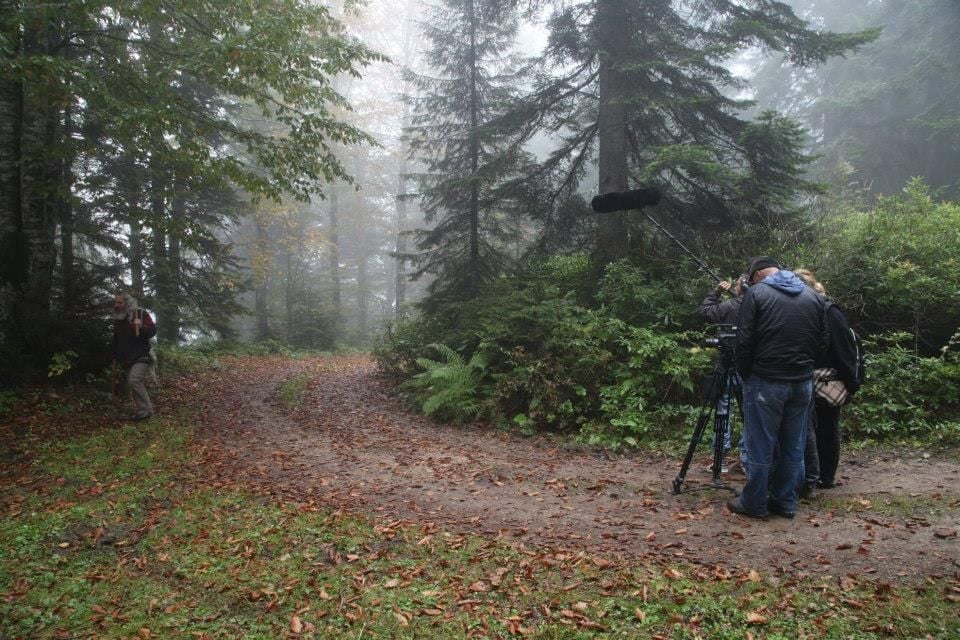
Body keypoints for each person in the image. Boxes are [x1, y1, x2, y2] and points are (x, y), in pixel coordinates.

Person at [727, 257, 824, 519]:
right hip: (802, 381)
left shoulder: (757, 294)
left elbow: (744, 340)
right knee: (794, 444)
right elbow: (822, 340)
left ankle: (754, 503)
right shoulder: (813, 296)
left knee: (761, 444)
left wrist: (747, 373)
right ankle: (785, 502)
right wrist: (804, 366)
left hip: (765, 380)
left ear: (757, 275)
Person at [794, 268, 861, 494]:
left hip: (827, 379)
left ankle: (826, 476)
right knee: (814, 428)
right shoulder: (811, 309)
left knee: (827, 427)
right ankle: (815, 474)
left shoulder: (829, 311)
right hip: (808, 377)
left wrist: (850, 382)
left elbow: (845, 350)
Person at [696, 277, 747, 470]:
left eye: (736, 285)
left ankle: (720, 459)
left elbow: (706, 313)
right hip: (750, 367)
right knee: (749, 413)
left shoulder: (728, 306)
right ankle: (746, 459)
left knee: (722, 409)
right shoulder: (761, 307)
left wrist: (716, 292)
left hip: (727, 365)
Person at [112, 292, 157, 421]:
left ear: (127, 303)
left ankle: (147, 410)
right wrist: (114, 355)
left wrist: (140, 326)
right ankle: (142, 411)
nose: (116, 305)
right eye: (115, 302)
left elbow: (153, 331)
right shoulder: (119, 319)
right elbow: (116, 339)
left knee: (134, 380)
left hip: (142, 355)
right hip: (127, 358)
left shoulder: (141, 314)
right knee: (133, 383)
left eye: (119, 302)